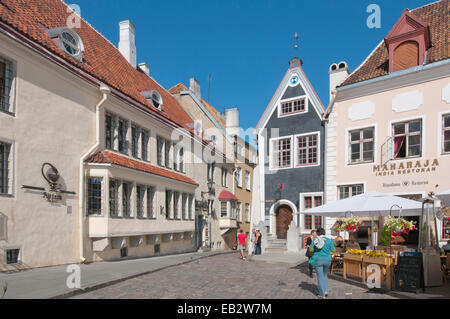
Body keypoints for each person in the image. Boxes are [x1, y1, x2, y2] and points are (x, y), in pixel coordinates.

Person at [309, 227, 335, 299]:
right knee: (324, 275)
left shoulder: (315, 239)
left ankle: (322, 294)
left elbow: (311, 249)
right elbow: (333, 250)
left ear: (317, 233)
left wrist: (314, 249)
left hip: (318, 260)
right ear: (324, 233)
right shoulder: (329, 240)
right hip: (327, 260)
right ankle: (326, 290)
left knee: (320, 277)